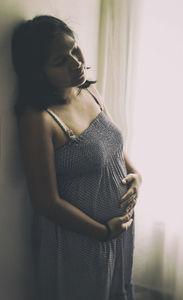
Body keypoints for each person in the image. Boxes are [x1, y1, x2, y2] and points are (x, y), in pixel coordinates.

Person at [11, 15, 142, 300]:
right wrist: (103, 231)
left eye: (74, 49)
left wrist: (136, 176)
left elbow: (112, 146)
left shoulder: (89, 91)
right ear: (38, 72)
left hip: (118, 231)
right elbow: (46, 202)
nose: (76, 63)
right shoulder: (39, 119)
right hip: (80, 242)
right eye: (60, 61)